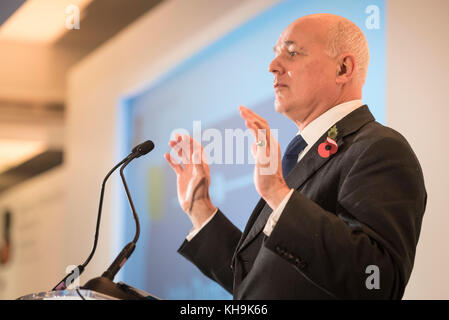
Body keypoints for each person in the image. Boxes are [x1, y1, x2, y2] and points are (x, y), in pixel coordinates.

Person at [164, 13, 426, 299]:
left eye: (291, 53)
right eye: (276, 55)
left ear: (343, 68)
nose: (273, 66)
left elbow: (377, 281)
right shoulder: (305, 157)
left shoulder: (379, 148)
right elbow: (258, 283)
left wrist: (277, 192)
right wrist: (200, 208)